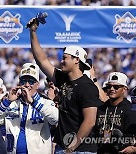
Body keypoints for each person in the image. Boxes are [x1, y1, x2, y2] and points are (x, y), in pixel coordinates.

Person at [27, 18, 101, 153]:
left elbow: (90, 121)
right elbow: (41, 60)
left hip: (81, 150)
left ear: (76, 60)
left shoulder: (87, 86)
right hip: (64, 147)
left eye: (65, 57)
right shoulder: (63, 79)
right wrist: (33, 32)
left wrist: (71, 148)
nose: (61, 61)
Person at [0, 63, 59, 154]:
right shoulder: (11, 103)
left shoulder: (45, 102)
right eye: (23, 81)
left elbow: (55, 118)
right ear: (19, 84)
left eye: (31, 81)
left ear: (37, 85)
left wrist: (33, 102)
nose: (27, 85)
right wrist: (7, 101)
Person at [95, 72, 136, 154]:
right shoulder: (101, 108)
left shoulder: (130, 109)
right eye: (109, 86)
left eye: (116, 87)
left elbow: (132, 137)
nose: (112, 89)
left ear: (124, 89)